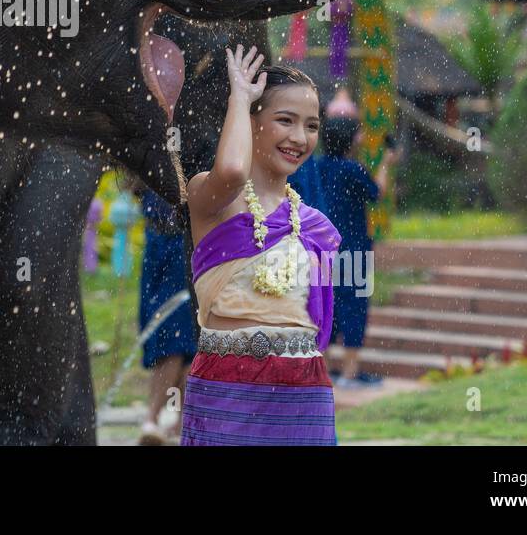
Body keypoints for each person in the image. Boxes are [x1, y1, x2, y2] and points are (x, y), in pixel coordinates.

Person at [181, 46, 342, 446]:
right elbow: (233, 170)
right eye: (284, 121)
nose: (299, 138)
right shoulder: (211, 196)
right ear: (250, 122)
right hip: (227, 386)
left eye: (312, 125)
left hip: (304, 394)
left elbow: (318, 329)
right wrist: (239, 95)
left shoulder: (316, 229)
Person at [315, 89, 398, 386]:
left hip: (323, 249)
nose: (362, 139)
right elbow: (377, 193)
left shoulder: (316, 167)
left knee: (326, 306)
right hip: (354, 249)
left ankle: (322, 372)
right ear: (349, 140)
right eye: (358, 134)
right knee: (355, 305)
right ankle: (350, 374)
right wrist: (387, 162)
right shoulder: (352, 169)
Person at [136, 187, 196, 445]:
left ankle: (155, 415)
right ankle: (181, 420)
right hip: (158, 243)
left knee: (175, 336)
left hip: (184, 243)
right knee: (177, 336)